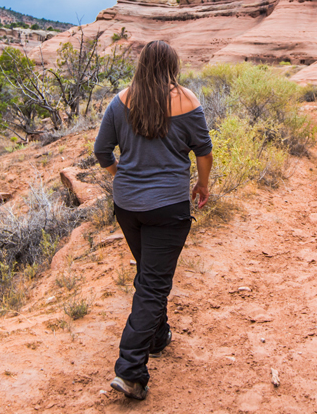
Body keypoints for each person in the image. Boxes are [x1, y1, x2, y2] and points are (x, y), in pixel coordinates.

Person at [94, 40, 213, 400]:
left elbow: (102, 151)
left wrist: (122, 176)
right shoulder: (187, 101)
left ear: (142, 63)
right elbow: (203, 150)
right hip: (167, 207)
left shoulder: (121, 100)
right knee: (154, 284)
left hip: (128, 206)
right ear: (172, 66)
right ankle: (130, 370)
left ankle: (158, 337)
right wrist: (202, 184)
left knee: (149, 273)